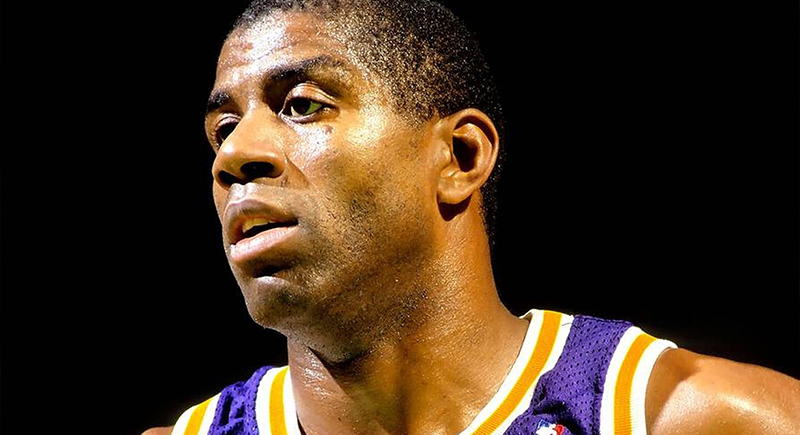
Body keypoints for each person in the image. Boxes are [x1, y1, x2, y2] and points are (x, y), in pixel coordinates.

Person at [143, 0, 800, 434]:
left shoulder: (699, 418)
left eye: (303, 104)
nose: (234, 155)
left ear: (460, 156)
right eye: (222, 128)